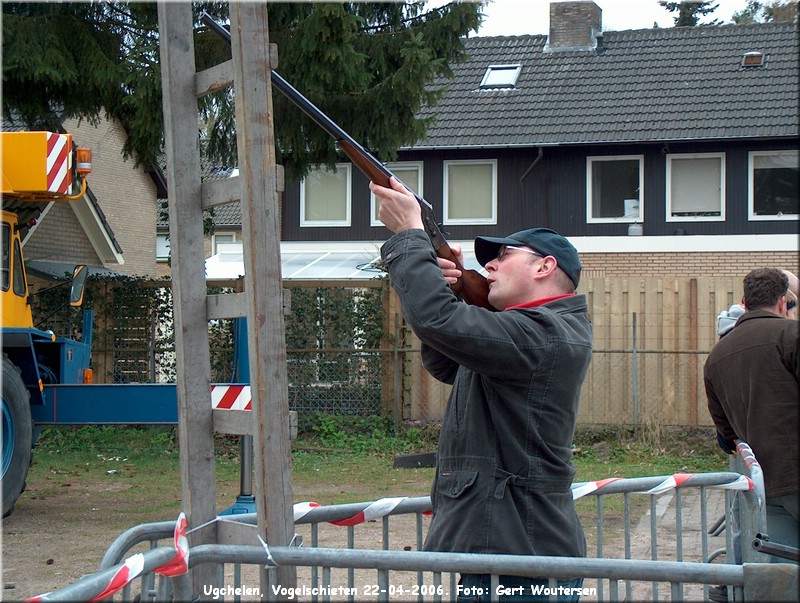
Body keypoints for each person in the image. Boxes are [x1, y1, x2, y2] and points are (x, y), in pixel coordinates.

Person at [371, 176, 592, 602]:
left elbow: (437, 323)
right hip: (507, 549)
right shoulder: (526, 330)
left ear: (545, 267)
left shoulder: (546, 332)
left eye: (503, 256)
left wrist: (410, 238)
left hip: (521, 561)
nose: (488, 265)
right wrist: (453, 289)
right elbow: (444, 357)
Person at [704, 268, 799, 566]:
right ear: (783, 302)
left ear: (745, 301)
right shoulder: (791, 336)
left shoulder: (717, 357)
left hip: (764, 485)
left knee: (783, 575)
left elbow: (726, 436)